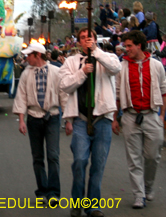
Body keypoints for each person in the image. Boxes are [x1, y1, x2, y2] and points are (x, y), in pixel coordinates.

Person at [59, 28, 121, 217]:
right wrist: (82, 72)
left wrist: (96, 53)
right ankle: (77, 202)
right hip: (80, 118)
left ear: (95, 40)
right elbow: (64, 85)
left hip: (102, 119)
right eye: (83, 38)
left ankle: (93, 205)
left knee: (98, 164)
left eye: (90, 37)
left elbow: (115, 69)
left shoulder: (106, 57)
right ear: (78, 42)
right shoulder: (71, 62)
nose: (87, 40)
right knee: (80, 160)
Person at [113, 31, 166, 209]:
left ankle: (148, 185)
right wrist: (115, 119)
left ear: (139, 45)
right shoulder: (121, 67)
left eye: (129, 46)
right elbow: (117, 94)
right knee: (134, 158)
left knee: (153, 155)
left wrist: (161, 115)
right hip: (130, 116)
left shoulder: (156, 65)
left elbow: (164, 90)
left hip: (151, 114)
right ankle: (139, 195)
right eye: (125, 46)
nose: (126, 49)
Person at [13, 40, 65, 205]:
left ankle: (54, 193)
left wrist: (69, 119)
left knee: (53, 155)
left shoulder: (56, 72)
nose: (27, 58)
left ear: (37, 55)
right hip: (33, 117)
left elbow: (64, 95)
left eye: (29, 55)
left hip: (52, 116)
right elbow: (21, 97)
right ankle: (42, 190)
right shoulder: (26, 74)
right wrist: (21, 120)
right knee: (37, 157)